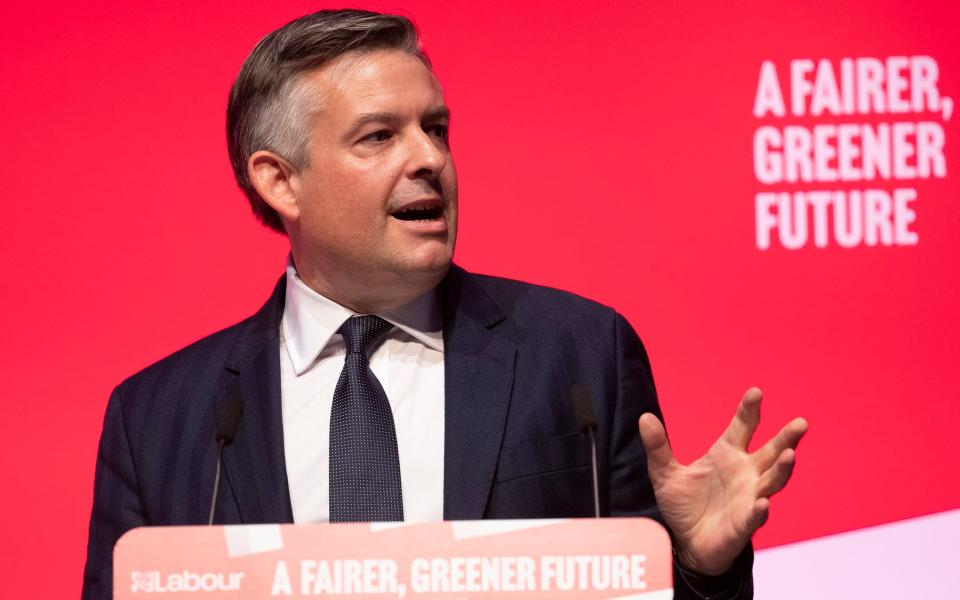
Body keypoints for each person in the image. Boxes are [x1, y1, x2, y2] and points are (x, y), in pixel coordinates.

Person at [82, 9, 807, 600]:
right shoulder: (157, 422)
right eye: (379, 136)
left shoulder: (579, 358)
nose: (429, 158)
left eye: (435, 128)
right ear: (280, 182)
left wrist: (701, 571)